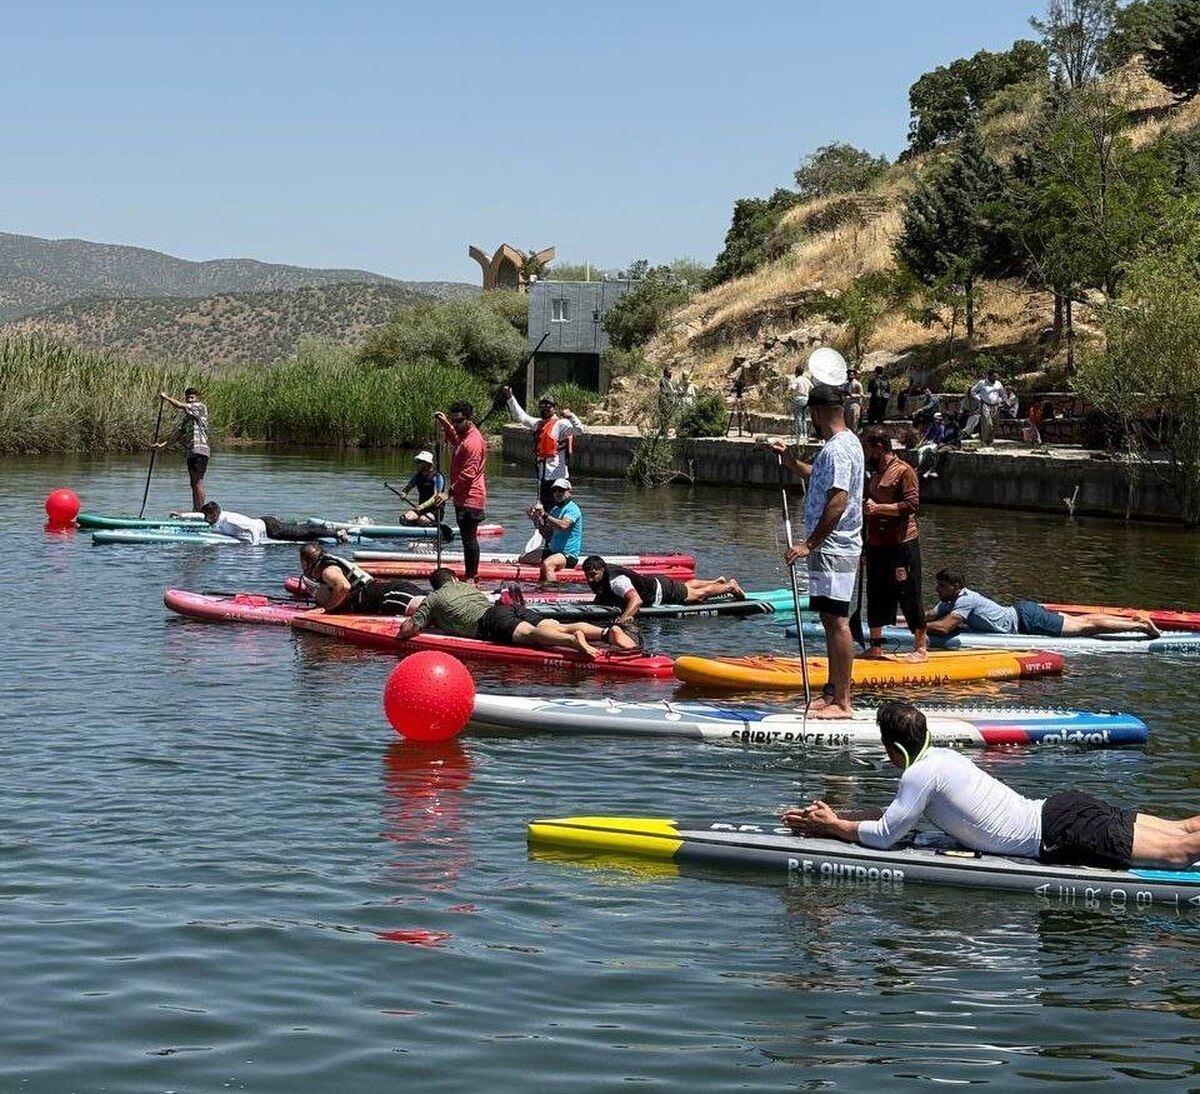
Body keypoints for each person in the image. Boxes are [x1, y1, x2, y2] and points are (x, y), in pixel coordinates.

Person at [783, 701, 1200, 871]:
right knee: (1183, 829)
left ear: (892, 749)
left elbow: (888, 835)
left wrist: (835, 829)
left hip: (1057, 833)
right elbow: (896, 815)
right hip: (1062, 811)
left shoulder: (918, 774)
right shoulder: (941, 758)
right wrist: (837, 818)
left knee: (1179, 853)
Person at [770, 381, 865, 719]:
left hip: (834, 548)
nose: (810, 420)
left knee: (837, 621)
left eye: (810, 415)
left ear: (817, 413)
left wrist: (807, 545)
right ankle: (830, 692)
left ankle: (843, 702)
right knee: (828, 619)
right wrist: (790, 461)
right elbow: (820, 477)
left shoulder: (839, 449)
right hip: (831, 548)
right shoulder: (841, 445)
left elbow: (838, 502)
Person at [394, 568, 639, 658]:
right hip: (508, 608)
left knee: (531, 635)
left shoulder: (434, 597)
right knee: (556, 624)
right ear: (455, 578)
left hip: (490, 620)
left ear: (436, 586)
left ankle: (572, 642)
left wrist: (421, 618)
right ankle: (606, 633)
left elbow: (409, 630)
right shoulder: (467, 587)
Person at [926, 568, 1161, 639]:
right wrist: (895, 620)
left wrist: (917, 626)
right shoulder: (950, 601)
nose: (937, 590)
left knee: (1085, 626)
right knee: (1083, 621)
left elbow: (944, 627)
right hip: (1024, 612)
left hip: (1027, 620)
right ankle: (1133, 621)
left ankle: (1140, 627)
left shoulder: (965, 601)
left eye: (941, 586)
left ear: (955, 587)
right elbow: (928, 615)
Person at [861, 430, 927, 662]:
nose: (865, 453)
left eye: (867, 448)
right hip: (876, 544)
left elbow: (911, 504)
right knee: (876, 593)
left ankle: (920, 648)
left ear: (879, 447)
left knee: (909, 592)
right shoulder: (874, 474)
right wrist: (863, 545)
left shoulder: (904, 471)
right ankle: (876, 646)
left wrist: (879, 509)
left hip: (901, 544)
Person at [581, 555, 745, 625]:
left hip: (661, 592)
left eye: (593, 574)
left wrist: (624, 619)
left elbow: (636, 601)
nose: (589, 579)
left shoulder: (617, 581)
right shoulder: (596, 574)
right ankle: (717, 582)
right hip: (656, 582)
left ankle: (729, 587)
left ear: (602, 569)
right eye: (587, 575)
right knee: (686, 587)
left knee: (696, 595)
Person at [503, 387, 584, 508]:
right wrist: (510, 398)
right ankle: (543, 526)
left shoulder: (562, 424)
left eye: (549, 407)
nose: (545, 410)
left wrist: (571, 415)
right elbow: (521, 417)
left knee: (559, 509)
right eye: (543, 408)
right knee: (544, 511)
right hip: (542, 477)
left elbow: (579, 430)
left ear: (554, 408)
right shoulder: (538, 424)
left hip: (558, 477)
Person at [435, 400, 487, 581]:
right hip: (461, 497)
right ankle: (470, 574)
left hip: (471, 497)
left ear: (469, 419)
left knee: (469, 539)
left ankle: (472, 577)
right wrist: (445, 424)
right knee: (466, 539)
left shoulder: (473, 441)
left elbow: (468, 474)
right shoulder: (463, 435)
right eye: (453, 420)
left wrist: (447, 493)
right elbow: (455, 439)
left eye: (459, 421)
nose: (455, 424)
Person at [299, 543, 424, 615]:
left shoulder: (328, 569)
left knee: (430, 610)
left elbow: (343, 587)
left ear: (306, 563)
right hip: (391, 590)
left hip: (389, 597)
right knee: (433, 605)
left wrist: (326, 608)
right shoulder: (331, 561)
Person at [172, 501, 349, 545]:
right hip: (266, 523)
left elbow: (251, 529)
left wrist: (256, 547)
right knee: (298, 530)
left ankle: (337, 533)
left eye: (207, 515)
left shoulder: (229, 519)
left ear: (215, 513)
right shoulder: (212, 517)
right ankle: (322, 527)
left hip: (270, 528)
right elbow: (197, 516)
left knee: (302, 534)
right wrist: (181, 516)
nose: (206, 519)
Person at [518, 478, 583, 581]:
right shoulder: (555, 510)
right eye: (554, 490)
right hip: (552, 551)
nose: (557, 493)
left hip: (567, 555)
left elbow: (563, 525)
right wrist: (536, 520)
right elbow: (547, 534)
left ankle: (551, 591)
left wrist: (544, 515)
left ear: (569, 491)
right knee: (522, 559)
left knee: (547, 564)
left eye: (561, 490)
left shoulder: (572, 509)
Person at [157, 387, 210, 510]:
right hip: (192, 451)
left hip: (200, 450)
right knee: (193, 483)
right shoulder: (187, 418)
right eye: (188, 397)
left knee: (198, 482)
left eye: (192, 397)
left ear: (197, 398)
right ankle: (195, 509)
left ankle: (201, 511)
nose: (189, 400)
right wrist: (162, 445)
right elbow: (178, 434)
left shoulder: (200, 407)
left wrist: (165, 397)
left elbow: (180, 405)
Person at [399, 450, 446, 526]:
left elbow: (435, 497)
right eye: (417, 462)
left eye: (419, 462)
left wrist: (422, 506)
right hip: (422, 509)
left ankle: (432, 526)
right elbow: (407, 488)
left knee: (422, 520)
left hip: (435, 511)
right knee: (403, 519)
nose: (417, 464)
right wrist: (404, 493)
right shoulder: (418, 476)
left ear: (427, 464)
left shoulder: (437, 477)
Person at [968, 369, 1006, 447]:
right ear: (989, 376)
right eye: (994, 376)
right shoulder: (982, 383)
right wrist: (979, 398)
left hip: (996, 406)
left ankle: (990, 441)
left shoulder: (998, 384)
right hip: (985, 405)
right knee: (987, 423)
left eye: (996, 376)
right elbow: (973, 391)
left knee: (995, 425)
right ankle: (984, 441)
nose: (996, 378)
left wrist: (1001, 401)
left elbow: (1003, 394)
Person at [914, 413, 959, 478]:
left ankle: (932, 470)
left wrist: (944, 443)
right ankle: (922, 468)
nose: (942, 421)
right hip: (942, 444)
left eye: (943, 419)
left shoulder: (953, 426)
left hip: (952, 445)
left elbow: (956, 438)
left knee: (938, 452)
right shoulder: (940, 427)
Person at [788, 364, 813, 442]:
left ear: (796, 372)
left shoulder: (797, 379)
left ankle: (800, 434)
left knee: (798, 416)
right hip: (806, 398)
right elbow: (812, 387)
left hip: (798, 398)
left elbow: (792, 388)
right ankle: (805, 434)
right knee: (803, 418)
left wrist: (791, 386)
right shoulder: (806, 379)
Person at [844, 368, 864, 433]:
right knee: (846, 423)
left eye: (852, 373)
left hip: (854, 405)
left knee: (854, 422)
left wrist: (853, 395)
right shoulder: (845, 384)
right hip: (846, 405)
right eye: (849, 373)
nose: (850, 375)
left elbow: (861, 395)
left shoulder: (858, 384)